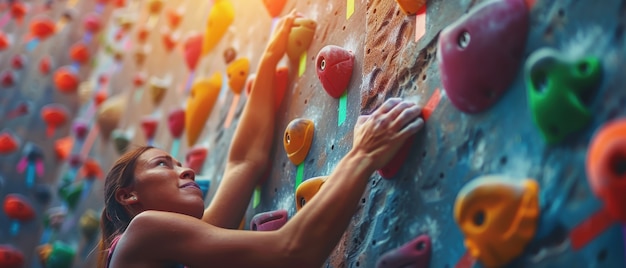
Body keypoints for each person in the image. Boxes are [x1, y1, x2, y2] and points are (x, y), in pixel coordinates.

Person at [97, 10, 425, 268]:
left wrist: (269, 61)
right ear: (128, 196)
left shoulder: (172, 247)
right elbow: (291, 252)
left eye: (179, 162)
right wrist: (363, 154)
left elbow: (244, 163)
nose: (186, 171)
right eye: (162, 164)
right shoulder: (143, 231)